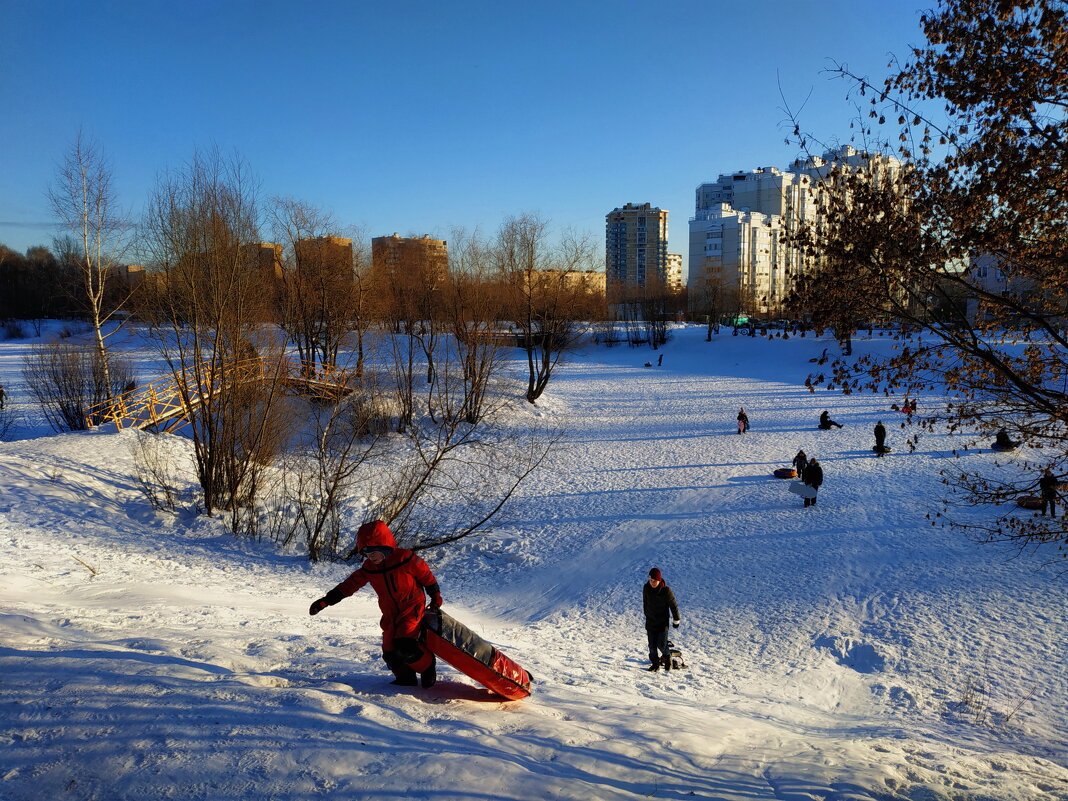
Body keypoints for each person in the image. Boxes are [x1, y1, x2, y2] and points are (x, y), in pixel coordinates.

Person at [309, 520, 443, 688]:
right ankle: (406, 679)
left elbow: (427, 577)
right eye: (366, 553)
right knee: (389, 651)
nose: (370, 556)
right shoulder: (369, 568)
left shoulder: (405, 559)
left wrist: (435, 597)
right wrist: (325, 601)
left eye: (373, 551)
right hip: (390, 614)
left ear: (385, 546)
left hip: (411, 608)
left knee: (404, 646)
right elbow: (349, 585)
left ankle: (427, 666)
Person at [643, 568, 680, 671]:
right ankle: (655, 663)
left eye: (654, 580)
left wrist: (676, 620)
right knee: (652, 646)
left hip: (662, 623)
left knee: (662, 645)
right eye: (651, 580)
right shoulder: (646, 588)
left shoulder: (666, 591)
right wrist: (647, 614)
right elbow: (645, 602)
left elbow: (673, 606)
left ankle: (667, 657)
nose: (652, 582)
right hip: (650, 622)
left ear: (659, 580)